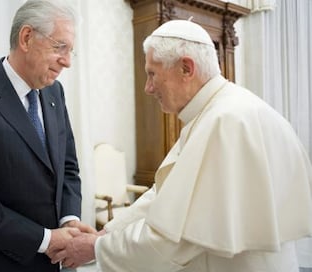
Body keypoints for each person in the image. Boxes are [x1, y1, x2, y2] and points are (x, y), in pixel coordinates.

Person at [49, 19, 312, 271]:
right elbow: (164, 194)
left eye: (152, 74)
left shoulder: (224, 121)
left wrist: (97, 247)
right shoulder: (220, 111)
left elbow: (175, 240)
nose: (148, 88)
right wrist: (109, 231)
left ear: (186, 68)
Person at [0, 1, 96, 271]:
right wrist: (45, 239)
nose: (68, 62)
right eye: (60, 47)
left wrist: (68, 219)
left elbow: (68, 168)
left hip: (49, 263)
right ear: (26, 38)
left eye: (71, 51)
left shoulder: (54, 93)